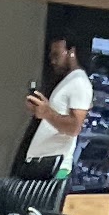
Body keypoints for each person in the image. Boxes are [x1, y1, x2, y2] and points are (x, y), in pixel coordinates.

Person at [22, 27, 96, 182]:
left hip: (55, 168)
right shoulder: (70, 80)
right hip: (46, 164)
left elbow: (74, 127)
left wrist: (47, 113)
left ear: (71, 52)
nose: (52, 61)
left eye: (56, 55)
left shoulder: (79, 82)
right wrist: (42, 111)